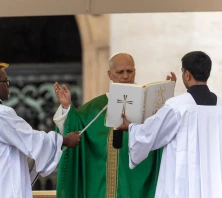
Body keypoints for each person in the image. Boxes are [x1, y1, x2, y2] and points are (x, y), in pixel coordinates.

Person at [53, 53, 177, 198]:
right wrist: (66, 106)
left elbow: (164, 131)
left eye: (129, 71)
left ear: (135, 72)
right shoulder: (94, 108)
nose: (125, 76)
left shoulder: (147, 107)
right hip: (100, 187)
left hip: (137, 185)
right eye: (120, 72)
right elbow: (73, 129)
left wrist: (164, 100)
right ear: (110, 74)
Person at [0, 63, 81, 198]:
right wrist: (64, 140)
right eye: (5, 82)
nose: (8, 86)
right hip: (0, 191)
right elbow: (30, 140)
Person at [119, 51, 222, 197]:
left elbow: (149, 134)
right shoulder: (220, 106)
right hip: (214, 186)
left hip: (183, 185)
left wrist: (130, 127)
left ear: (187, 74)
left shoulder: (177, 107)